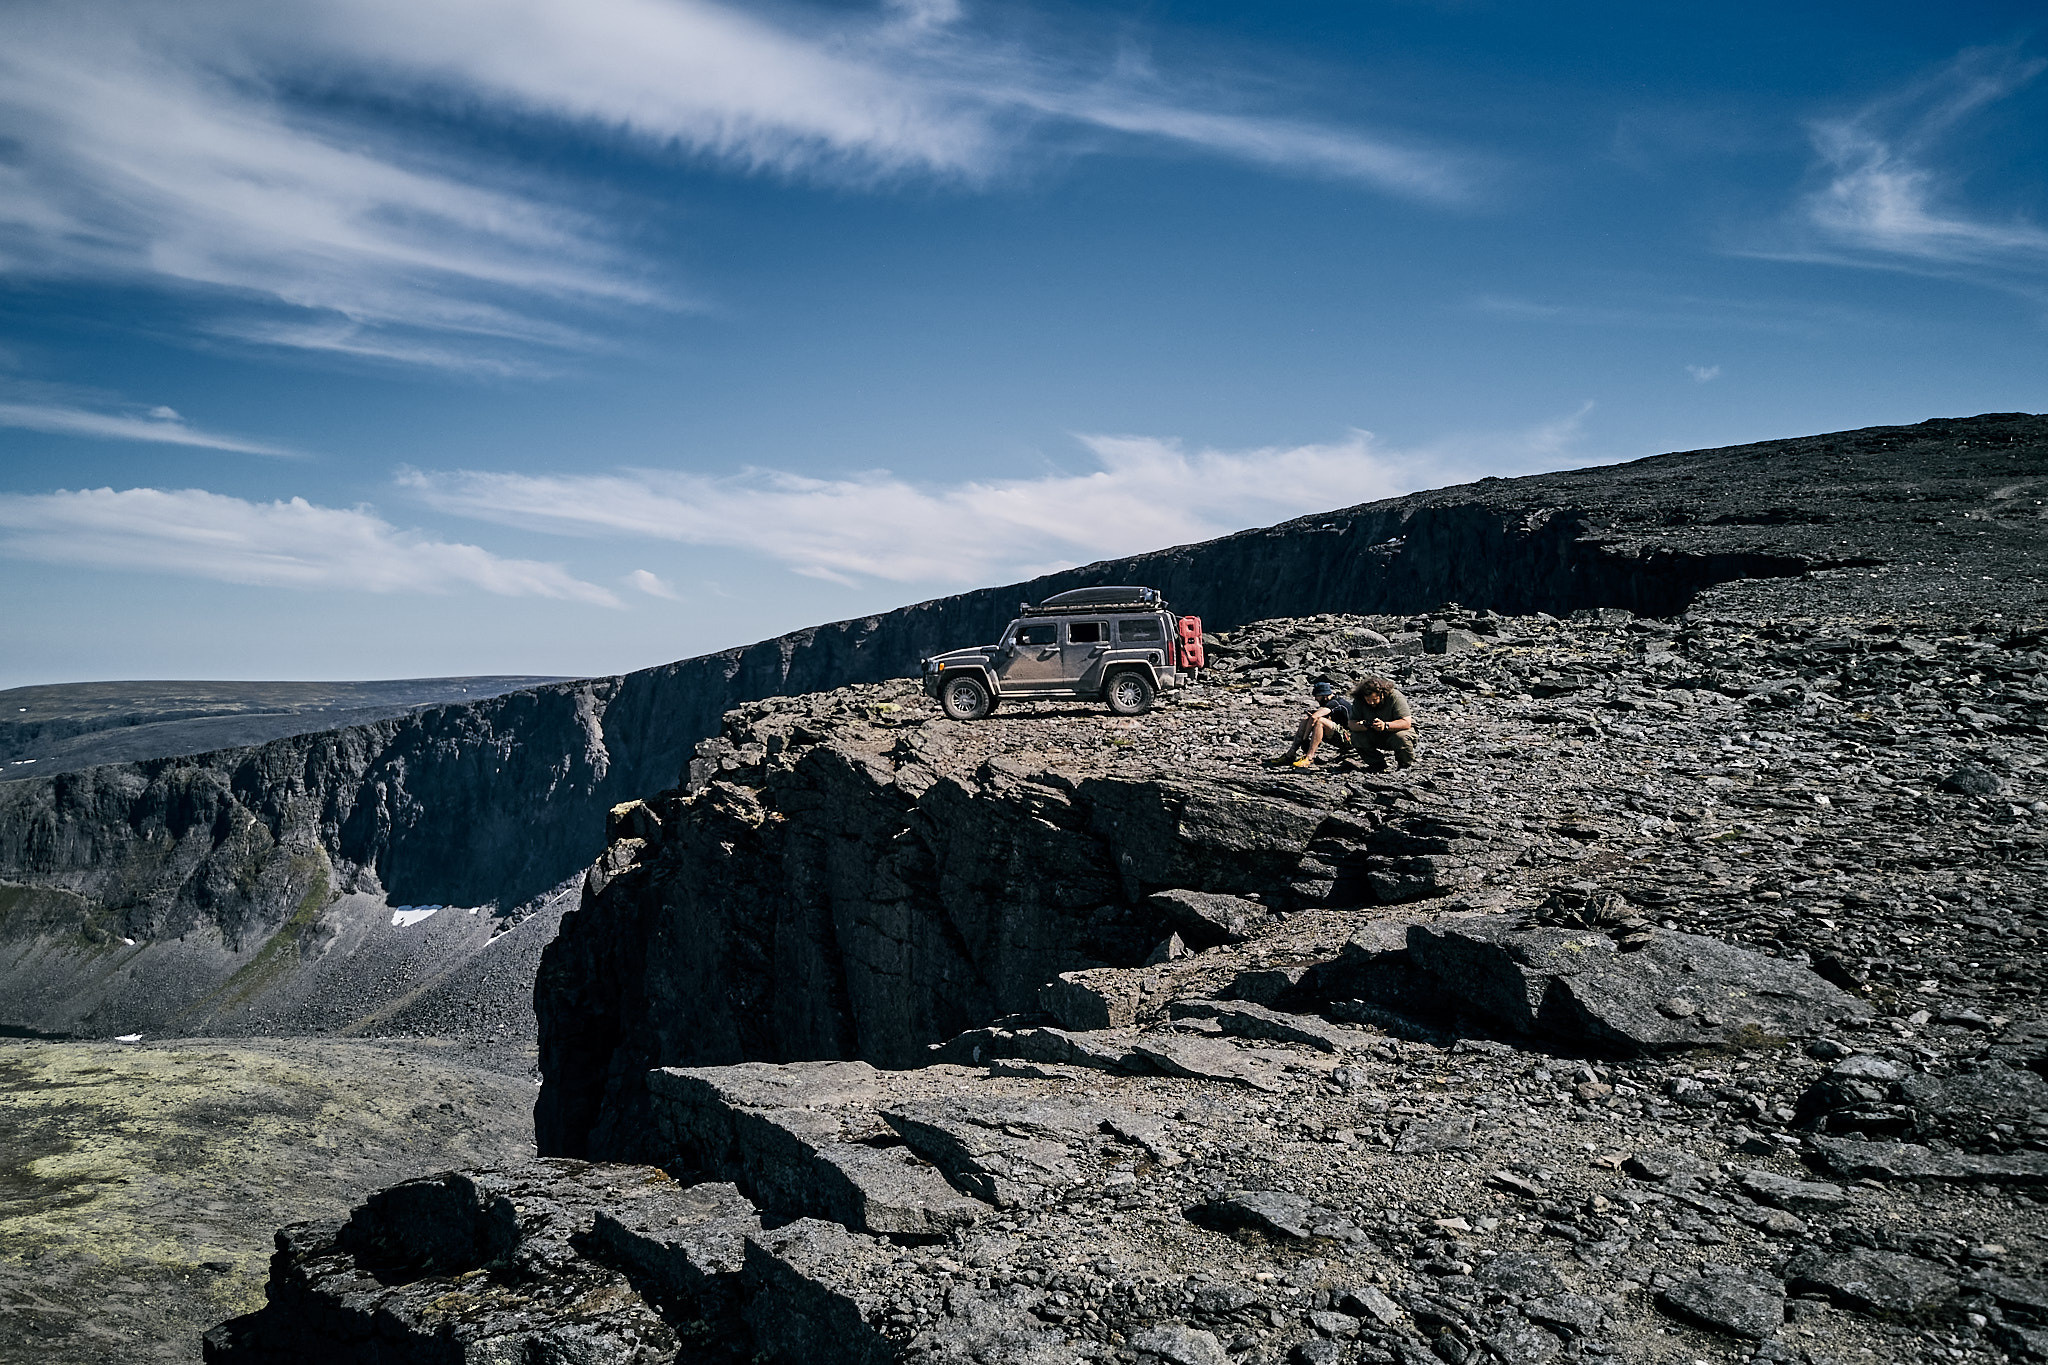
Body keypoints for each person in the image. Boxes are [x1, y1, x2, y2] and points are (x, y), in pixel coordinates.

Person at [1273, 680, 1353, 768]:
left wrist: (1305, 738)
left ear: (1324, 695)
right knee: (1306, 720)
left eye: (1317, 696)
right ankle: (1290, 755)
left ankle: (1309, 757)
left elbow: (1314, 717)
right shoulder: (1332, 702)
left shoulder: (1336, 703)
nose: (1315, 699)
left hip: (1350, 738)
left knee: (1319, 721)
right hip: (1341, 735)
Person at [1347, 675, 1416, 771]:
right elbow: (1351, 723)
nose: (1371, 703)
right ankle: (1377, 764)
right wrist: (1365, 726)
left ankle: (1405, 765)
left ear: (1382, 694)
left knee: (1401, 737)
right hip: (1374, 733)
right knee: (1356, 737)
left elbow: (1406, 722)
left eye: (1374, 700)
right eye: (1368, 700)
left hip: (1396, 731)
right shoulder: (1359, 700)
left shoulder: (1395, 697)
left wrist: (1385, 725)